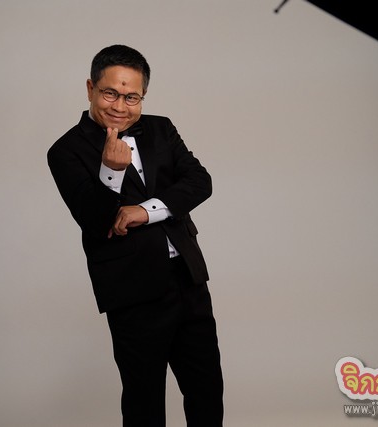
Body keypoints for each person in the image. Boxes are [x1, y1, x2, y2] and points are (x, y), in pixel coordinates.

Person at [47, 44, 223, 427]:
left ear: (143, 96)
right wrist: (110, 172)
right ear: (91, 88)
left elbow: (200, 181)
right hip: (132, 289)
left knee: (207, 390)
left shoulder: (161, 128)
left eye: (132, 97)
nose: (120, 106)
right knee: (144, 401)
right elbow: (94, 220)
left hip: (188, 279)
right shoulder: (64, 150)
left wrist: (144, 211)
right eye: (110, 93)